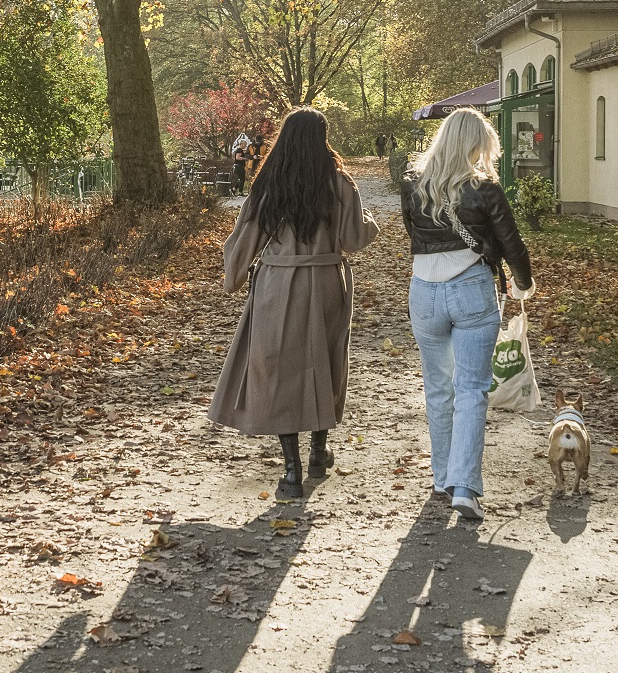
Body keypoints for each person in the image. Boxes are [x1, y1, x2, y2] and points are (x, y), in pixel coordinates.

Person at [209, 107, 379, 499]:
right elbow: (354, 239)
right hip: (327, 283)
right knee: (326, 362)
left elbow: (246, 236)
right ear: (321, 138)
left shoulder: (270, 181)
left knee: (279, 368)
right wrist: (369, 221)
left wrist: (232, 276)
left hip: (278, 284)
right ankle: (319, 451)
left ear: (285, 137)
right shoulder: (340, 182)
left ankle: (291, 471)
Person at [398, 107, 536, 520]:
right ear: (476, 143)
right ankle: (464, 488)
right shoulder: (484, 188)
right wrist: (523, 283)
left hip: (423, 291)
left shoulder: (413, 186)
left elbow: (413, 234)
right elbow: (512, 242)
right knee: (471, 389)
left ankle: (442, 477)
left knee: (438, 388)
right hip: (471, 289)